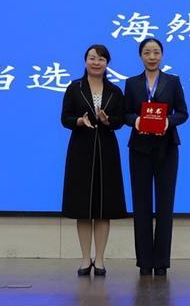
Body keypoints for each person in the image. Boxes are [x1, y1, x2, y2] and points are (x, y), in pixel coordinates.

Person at [124, 38, 189, 276]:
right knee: (141, 205)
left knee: (165, 206)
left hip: (167, 148)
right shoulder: (132, 83)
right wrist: (137, 120)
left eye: (156, 52)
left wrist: (167, 122)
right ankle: (144, 262)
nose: (152, 57)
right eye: (147, 52)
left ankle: (161, 262)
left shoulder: (173, 81)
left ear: (162, 55)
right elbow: (125, 113)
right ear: (140, 55)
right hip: (139, 149)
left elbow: (183, 113)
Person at [61, 44, 127, 276]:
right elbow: (65, 118)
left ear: (107, 63)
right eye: (92, 58)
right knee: (82, 208)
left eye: (101, 59)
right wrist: (79, 121)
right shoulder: (74, 88)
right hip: (81, 150)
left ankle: (99, 259)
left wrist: (108, 121)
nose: (96, 62)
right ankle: (84, 259)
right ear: (85, 61)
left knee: (103, 208)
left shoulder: (115, 91)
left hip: (106, 150)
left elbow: (120, 120)